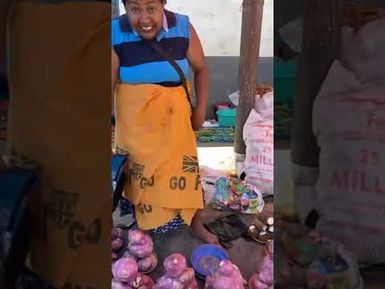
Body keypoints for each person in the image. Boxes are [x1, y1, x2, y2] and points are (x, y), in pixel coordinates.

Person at [112, 0, 218, 243]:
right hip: (136, 126)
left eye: (151, 8)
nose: (144, 18)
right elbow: (108, 83)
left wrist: (200, 109)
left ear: (163, 5)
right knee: (142, 178)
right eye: (135, 9)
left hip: (175, 121)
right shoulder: (115, 32)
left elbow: (201, 69)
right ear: (125, 8)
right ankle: (145, 231)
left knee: (185, 172)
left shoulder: (182, 26)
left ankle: (195, 223)